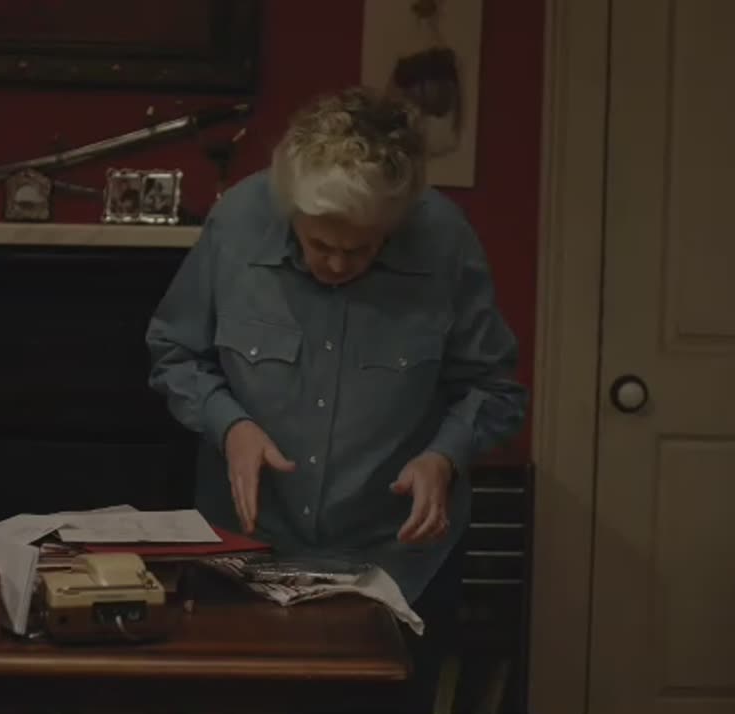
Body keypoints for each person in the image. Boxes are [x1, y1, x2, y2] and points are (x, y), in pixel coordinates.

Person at [145, 86, 527, 709]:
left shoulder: (445, 240)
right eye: (320, 244)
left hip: (397, 564)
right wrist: (229, 425)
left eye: (361, 249)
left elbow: (494, 386)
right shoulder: (237, 223)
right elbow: (174, 353)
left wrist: (444, 456)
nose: (338, 264)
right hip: (248, 560)